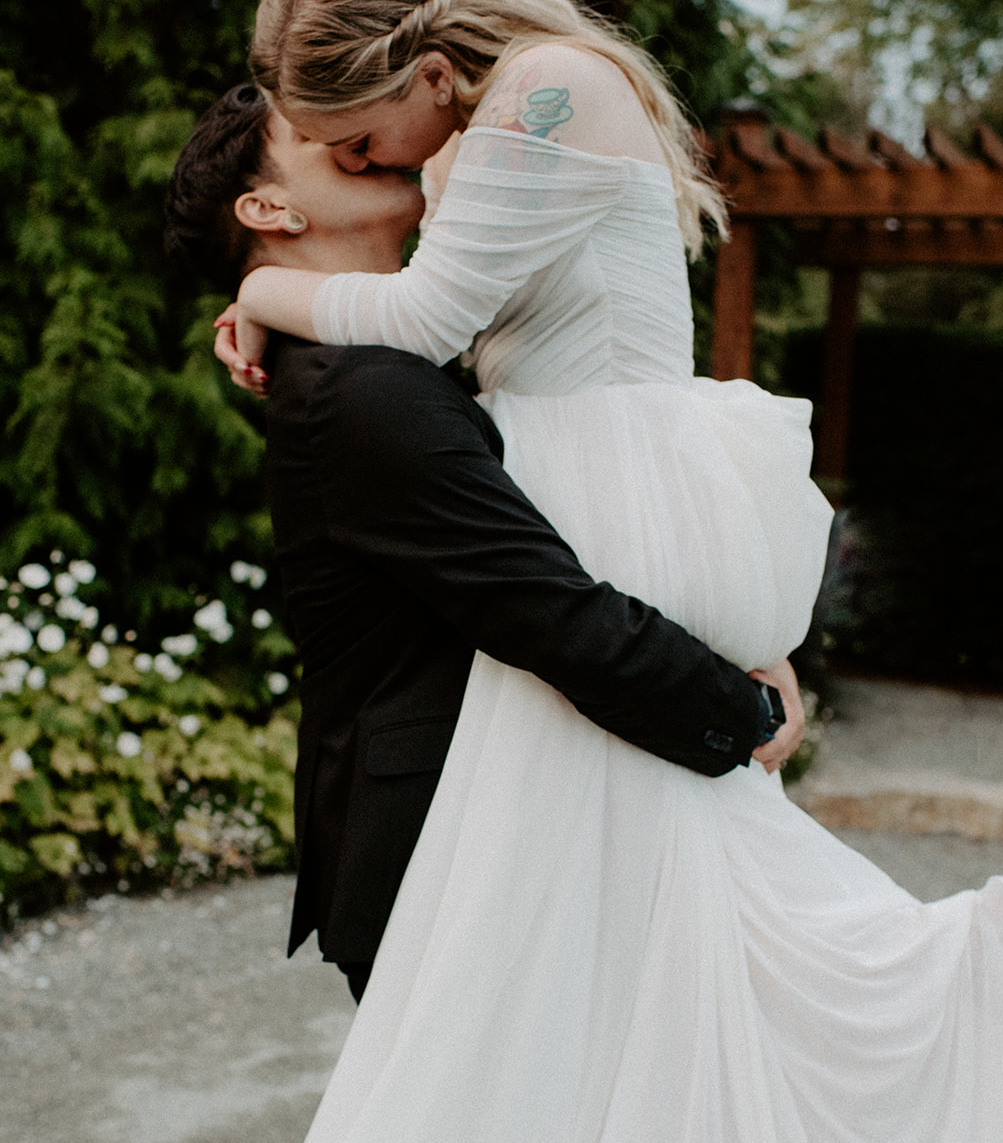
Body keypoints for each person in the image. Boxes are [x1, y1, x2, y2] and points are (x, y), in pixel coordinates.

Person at [208, 0, 1003, 1143]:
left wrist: (261, 291)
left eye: (369, 136)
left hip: (601, 498)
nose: (386, 167)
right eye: (351, 158)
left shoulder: (545, 91)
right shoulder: (478, 135)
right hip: (579, 528)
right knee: (652, 967)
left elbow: (425, 316)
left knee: (689, 947)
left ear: (422, 63)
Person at [165, 83, 802, 1002]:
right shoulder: (359, 393)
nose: (358, 137)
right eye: (316, 133)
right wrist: (745, 716)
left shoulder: (397, 359)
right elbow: (547, 608)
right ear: (268, 207)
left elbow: (574, 534)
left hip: (485, 844)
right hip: (439, 862)